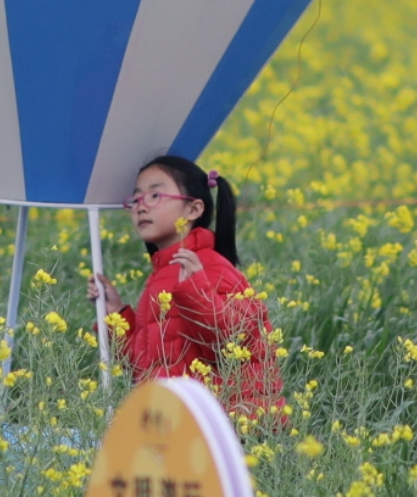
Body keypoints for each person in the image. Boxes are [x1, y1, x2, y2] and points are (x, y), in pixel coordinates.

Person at [92, 154, 281, 417]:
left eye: (155, 196)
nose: (141, 207)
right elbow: (148, 366)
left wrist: (196, 290)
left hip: (228, 429)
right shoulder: (162, 276)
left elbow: (229, 344)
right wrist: (117, 314)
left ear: (193, 209)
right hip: (178, 423)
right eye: (136, 199)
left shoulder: (213, 268)